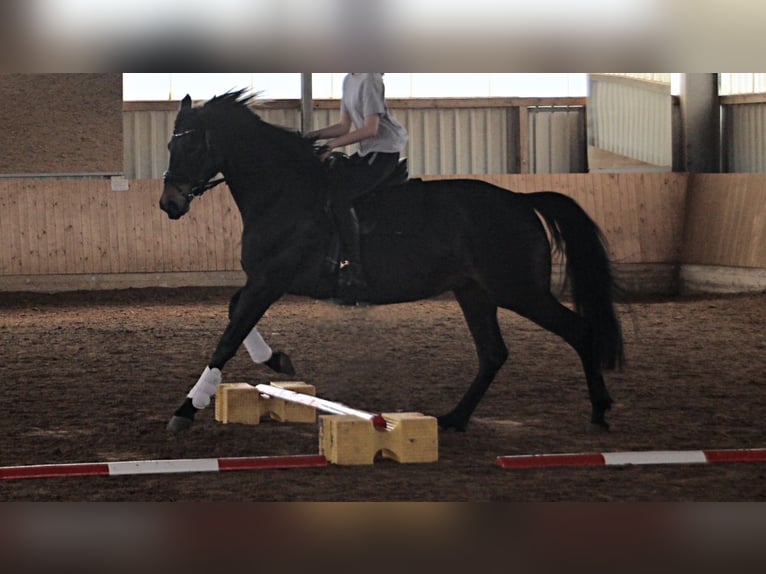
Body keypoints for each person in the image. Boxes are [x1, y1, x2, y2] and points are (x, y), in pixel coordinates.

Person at [304, 73, 408, 303]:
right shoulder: (348, 80)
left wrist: (331, 146)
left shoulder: (370, 79)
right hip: (366, 152)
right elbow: (344, 126)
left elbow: (371, 129)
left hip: (384, 151)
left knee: (340, 198)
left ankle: (354, 268)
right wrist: (313, 136)